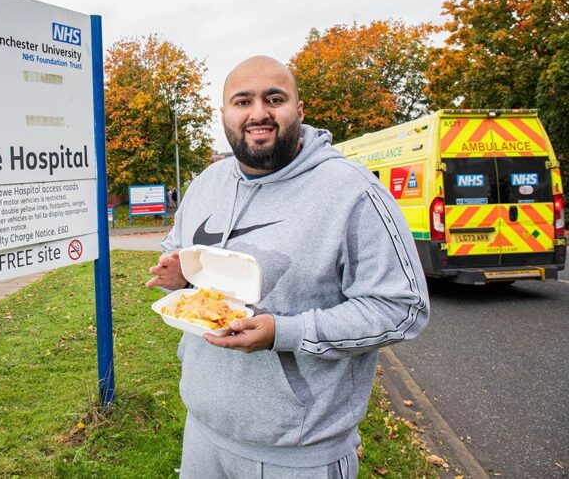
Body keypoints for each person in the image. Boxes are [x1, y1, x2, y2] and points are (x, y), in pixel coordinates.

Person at [146, 56, 429, 478]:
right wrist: (178, 276)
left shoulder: (351, 191)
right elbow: (179, 255)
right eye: (242, 101)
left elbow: (402, 309)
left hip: (298, 452)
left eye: (273, 99)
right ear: (224, 114)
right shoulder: (207, 183)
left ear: (299, 110)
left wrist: (286, 332)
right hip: (203, 431)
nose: (258, 112)